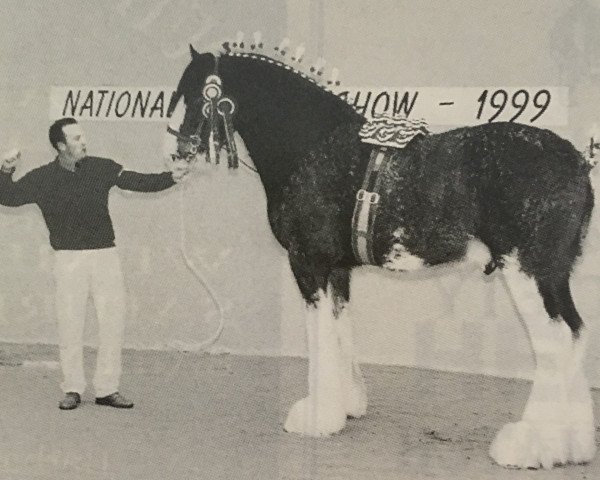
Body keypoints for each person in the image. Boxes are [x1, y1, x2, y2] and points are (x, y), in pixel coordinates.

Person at [0, 117, 190, 410]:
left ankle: (107, 389)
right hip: (67, 260)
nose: (83, 141)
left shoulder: (102, 167)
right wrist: (6, 169)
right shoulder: (41, 178)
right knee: (70, 324)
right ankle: (72, 388)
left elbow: (136, 181)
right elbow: (7, 196)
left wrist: (171, 176)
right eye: (76, 138)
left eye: (82, 136)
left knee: (113, 323)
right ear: (61, 146)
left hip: (105, 257)